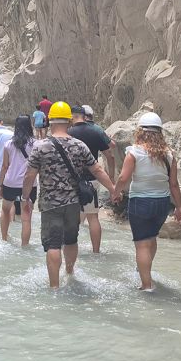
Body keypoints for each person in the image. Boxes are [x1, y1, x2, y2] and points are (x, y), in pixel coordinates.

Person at [23, 101, 116, 288]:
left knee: (53, 245)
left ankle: (54, 286)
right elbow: (97, 170)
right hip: (74, 203)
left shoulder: (40, 147)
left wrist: (26, 197)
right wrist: (114, 190)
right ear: (69, 121)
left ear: (49, 121)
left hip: (50, 203)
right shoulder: (79, 145)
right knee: (71, 240)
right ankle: (70, 274)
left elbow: (30, 175)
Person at [111, 112, 181, 292]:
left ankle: (146, 285)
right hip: (162, 203)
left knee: (142, 243)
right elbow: (174, 184)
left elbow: (123, 177)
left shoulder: (134, 152)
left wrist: (115, 192)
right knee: (151, 238)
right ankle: (146, 271)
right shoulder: (169, 155)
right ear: (160, 132)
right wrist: (180, 207)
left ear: (140, 131)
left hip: (140, 202)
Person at [67, 104, 116, 253]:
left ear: (72, 116)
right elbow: (109, 155)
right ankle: (96, 251)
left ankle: (70, 248)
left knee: (70, 217)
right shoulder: (95, 130)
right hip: (92, 180)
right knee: (93, 217)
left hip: (71, 181)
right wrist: (111, 177)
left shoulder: (68, 132)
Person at [0, 115, 37, 245]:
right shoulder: (36, 144)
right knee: (26, 218)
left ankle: (4, 239)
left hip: (10, 182)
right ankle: (25, 245)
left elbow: (4, 166)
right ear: (29, 126)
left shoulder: (8, 144)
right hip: (29, 184)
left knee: (5, 210)